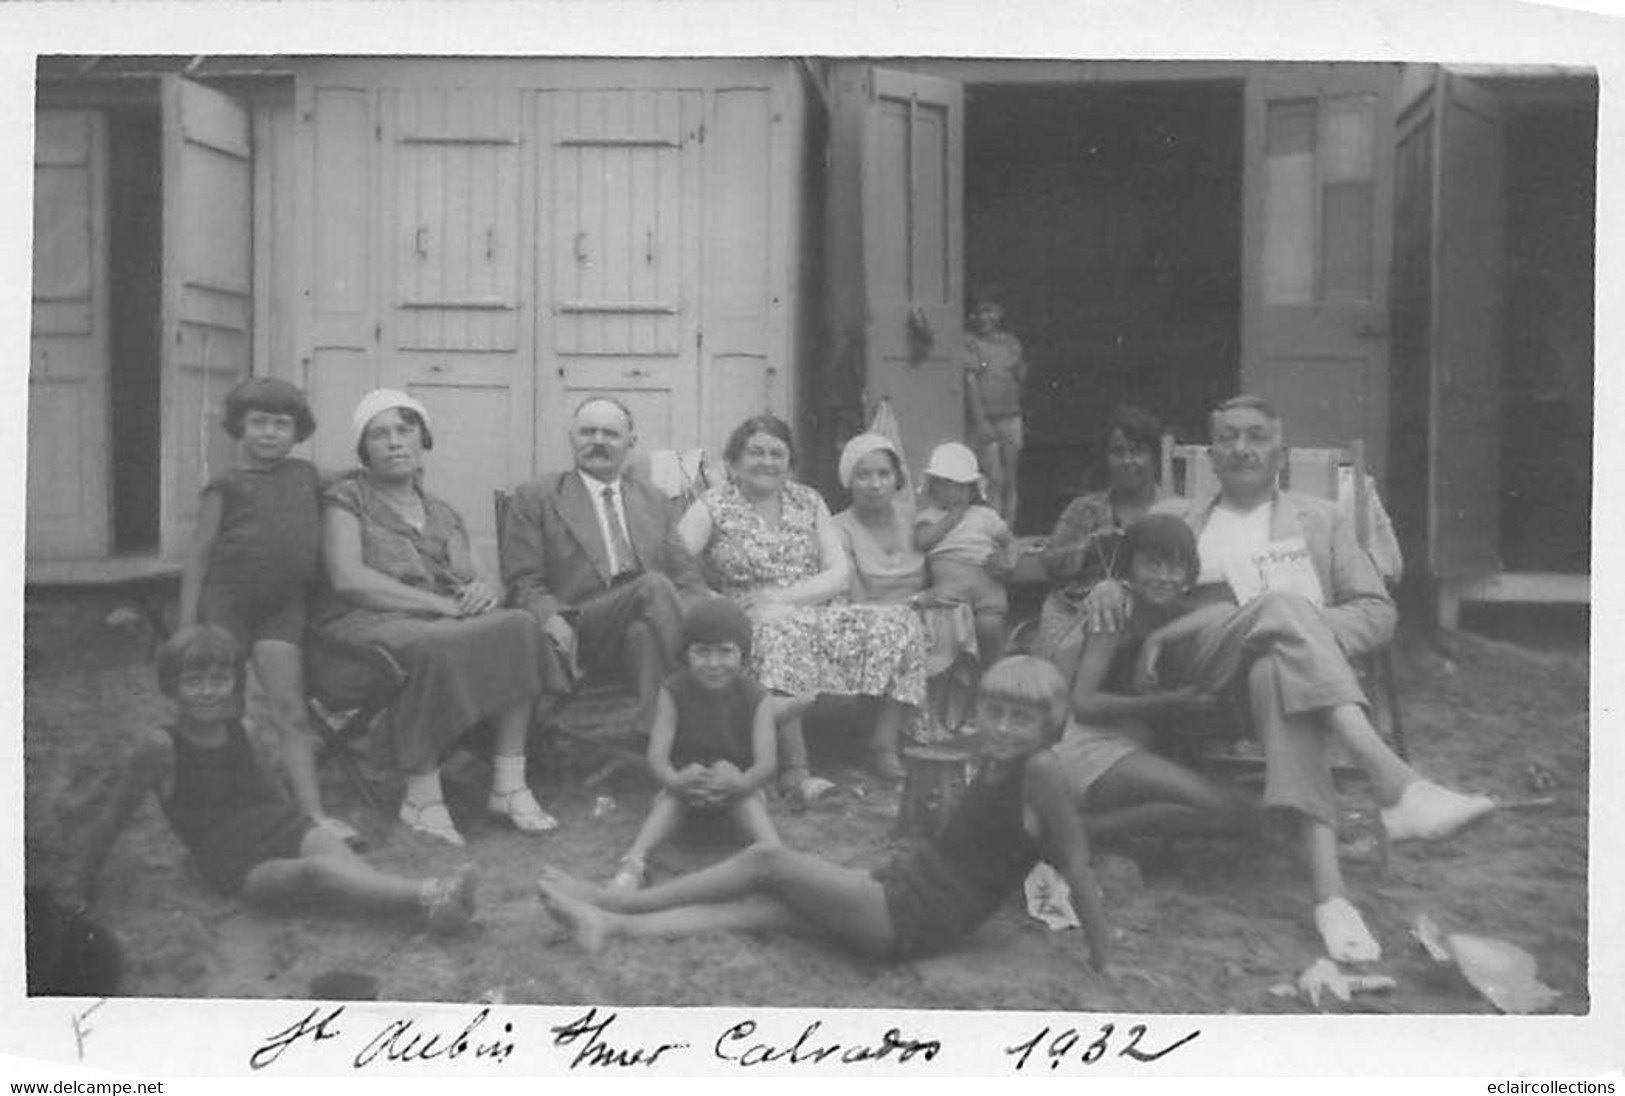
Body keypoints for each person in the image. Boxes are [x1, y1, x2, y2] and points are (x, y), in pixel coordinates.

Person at [1084, 395, 1497, 962]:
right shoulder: (1179, 515)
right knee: (1283, 608)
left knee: (1279, 669)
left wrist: (1303, 626)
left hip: (1283, 672)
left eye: (1255, 436)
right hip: (1196, 673)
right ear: (1212, 451)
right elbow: (1120, 571)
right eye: (1227, 437)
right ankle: (1395, 783)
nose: (1241, 448)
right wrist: (1107, 586)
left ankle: (1332, 902)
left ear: (1279, 449)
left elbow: (1377, 612)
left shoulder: (1320, 519)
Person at [535, 656, 1110, 971]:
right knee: (760, 908)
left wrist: (1103, 962)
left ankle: (614, 898)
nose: (1004, 728)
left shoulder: (1041, 771)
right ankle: (611, 923)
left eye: (1022, 719)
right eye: (995, 712)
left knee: (766, 860)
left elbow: (1077, 866)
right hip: (902, 896)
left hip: (908, 918)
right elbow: (980, 856)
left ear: (1049, 727)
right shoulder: (995, 761)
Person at [60, 625, 479, 936]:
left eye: (218, 679)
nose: (207, 691)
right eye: (193, 681)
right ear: (171, 688)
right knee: (318, 873)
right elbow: (113, 819)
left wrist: (306, 827)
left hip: (277, 828)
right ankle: (433, 891)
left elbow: (272, 792)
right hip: (236, 865)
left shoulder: (244, 729)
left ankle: (428, 909)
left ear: (233, 682)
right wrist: (81, 890)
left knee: (330, 852)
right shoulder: (161, 747)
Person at [316, 390, 560, 847]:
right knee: (435, 642)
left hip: (435, 623)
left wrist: (484, 592)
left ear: (423, 440)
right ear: (364, 449)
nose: (394, 443)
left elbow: (488, 580)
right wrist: (442, 606)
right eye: (379, 435)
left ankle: (509, 783)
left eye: (405, 431)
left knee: (520, 627)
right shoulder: (347, 499)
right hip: (359, 626)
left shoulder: (442, 513)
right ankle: (422, 796)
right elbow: (348, 579)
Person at [679, 415, 928, 784]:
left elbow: (838, 572)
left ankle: (883, 746)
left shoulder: (808, 500)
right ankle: (795, 766)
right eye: (755, 452)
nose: (767, 461)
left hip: (812, 606)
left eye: (777, 454)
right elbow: (677, 562)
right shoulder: (712, 506)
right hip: (750, 615)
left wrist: (785, 598)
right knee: (777, 628)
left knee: (903, 621)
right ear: (733, 461)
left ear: (790, 463)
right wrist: (718, 605)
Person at [176, 378, 354, 843]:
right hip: (226, 605)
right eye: (259, 422)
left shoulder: (307, 476)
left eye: (282, 424)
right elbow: (198, 557)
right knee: (224, 712)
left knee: (291, 710)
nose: (270, 433)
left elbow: (355, 482)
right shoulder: (224, 486)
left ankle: (312, 814)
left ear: (298, 432)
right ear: (238, 428)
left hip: (283, 610)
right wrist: (185, 627)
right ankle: (229, 813)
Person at [502, 397, 709, 733]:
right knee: (654, 585)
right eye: (588, 432)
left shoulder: (652, 499)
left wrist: (710, 618)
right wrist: (548, 615)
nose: (598, 441)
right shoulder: (537, 496)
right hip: (579, 626)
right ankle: (707, 700)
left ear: (631, 442)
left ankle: (656, 747)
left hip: (641, 621)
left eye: (610, 434)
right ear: (572, 438)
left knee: (645, 632)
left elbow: (687, 577)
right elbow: (521, 580)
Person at [1050, 514, 1255, 841]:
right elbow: (1084, 703)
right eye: (1152, 565)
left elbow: (1229, 612)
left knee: (1239, 811)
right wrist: (1169, 702)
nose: (1163, 577)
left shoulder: (1173, 612)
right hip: (1090, 749)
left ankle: (1100, 826)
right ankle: (1081, 831)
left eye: (1175, 568)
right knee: (1223, 809)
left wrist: (1156, 641)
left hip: (1132, 747)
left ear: (1189, 574)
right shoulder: (1115, 611)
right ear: (1129, 567)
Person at [609, 598, 781, 892]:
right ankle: (634, 862)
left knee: (749, 799)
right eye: (702, 652)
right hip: (686, 797)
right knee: (669, 800)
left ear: (743, 654)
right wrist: (676, 779)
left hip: (738, 795)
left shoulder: (757, 697)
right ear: (686, 653)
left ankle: (779, 863)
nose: (713, 663)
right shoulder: (673, 691)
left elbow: (767, 764)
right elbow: (657, 756)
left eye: (725, 652)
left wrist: (740, 783)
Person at [831, 432, 979, 737]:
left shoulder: (917, 517)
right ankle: (889, 740)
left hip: (923, 612)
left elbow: (948, 558)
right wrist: (915, 603)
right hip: (870, 619)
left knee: (956, 614)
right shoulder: (838, 528)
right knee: (904, 629)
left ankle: (942, 718)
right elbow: (855, 602)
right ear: (848, 480)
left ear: (897, 477)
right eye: (863, 475)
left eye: (884, 474)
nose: (875, 484)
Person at [1034, 403, 1165, 664]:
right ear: (1105, 458)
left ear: (1155, 458)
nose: (1128, 461)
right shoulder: (1085, 509)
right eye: (1118, 452)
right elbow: (1050, 563)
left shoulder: (1173, 512)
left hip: (1147, 616)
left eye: (1138, 451)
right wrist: (1088, 550)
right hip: (1073, 611)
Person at [914, 441, 1013, 666]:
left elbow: (1009, 540)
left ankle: (992, 671)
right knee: (949, 638)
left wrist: (1008, 561)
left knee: (989, 627)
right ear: (932, 488)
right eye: (945, 485)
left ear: (972, 490)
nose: (953, 492)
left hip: (985, 582)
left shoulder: (984, 515)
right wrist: (952, 517)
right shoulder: (928, 516)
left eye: (961, 486)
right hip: (950, 591)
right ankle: (958, 679)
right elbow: (922, 541)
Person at [962, 295, 1028, 524]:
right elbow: (969, 381)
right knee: (994, 478)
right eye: (979, 312)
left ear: (1000, 313)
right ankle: (992, 531)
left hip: (1010, 417)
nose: (983, 317)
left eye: (990, 311)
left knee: (1010, 479)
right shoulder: (968, 341)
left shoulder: (1011, 342)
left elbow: (1019, 376)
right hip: (984, 419)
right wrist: (980, 420)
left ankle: (1007, 532)